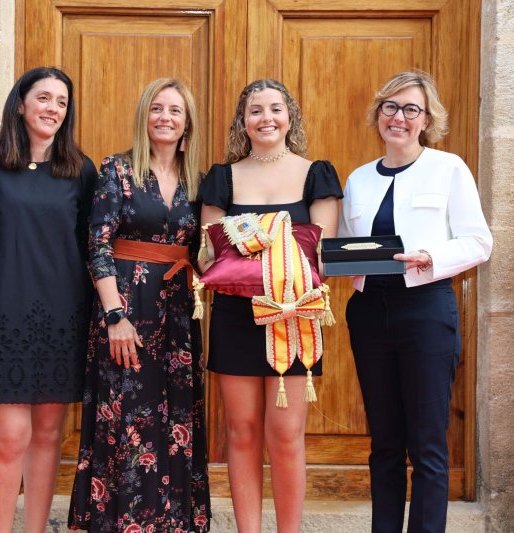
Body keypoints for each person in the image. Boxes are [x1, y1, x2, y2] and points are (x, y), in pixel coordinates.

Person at [0, 67, 97, 533]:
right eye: (44, 98)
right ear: (21, 104)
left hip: (63, 318)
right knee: (10, 437)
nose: (52, 108)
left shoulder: (80, 171)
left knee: (48, 436)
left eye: (62, 102)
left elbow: (96, 249)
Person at [339, 70, 493, 532]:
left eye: (411, 109)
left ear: (426, 119)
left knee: (427, 444)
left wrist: (430, 257)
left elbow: (479, 242)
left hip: (425, 311)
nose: (399, 118)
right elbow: (346, 245)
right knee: (384, 443)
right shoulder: (359, 179)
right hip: (369, 314)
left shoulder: (449, 168)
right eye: (390, 107)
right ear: (378, 114)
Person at [199, 79, 342, 533]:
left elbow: (322, 251)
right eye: (255, 110)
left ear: (289, 117)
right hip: (234, 315)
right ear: (243, 121)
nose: (266, 118)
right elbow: (210, 253)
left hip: (293, 315)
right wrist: (280, 237)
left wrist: (253, 240)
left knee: (285, 435)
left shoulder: (316, 173)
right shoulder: (221, 177)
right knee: (240, 432)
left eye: (275, 109)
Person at [68, 78, 210, 532]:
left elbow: (206, 248)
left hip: (178, 313)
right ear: (144, 117)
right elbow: (98, 246)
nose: (165, 118)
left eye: (175, 111)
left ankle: (172, 524)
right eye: (157, 108)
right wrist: (114, 316)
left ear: (187, 123)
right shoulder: (118, 169)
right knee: (124, 415)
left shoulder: (199, 180)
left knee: (176, 415)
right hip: (125, 307)